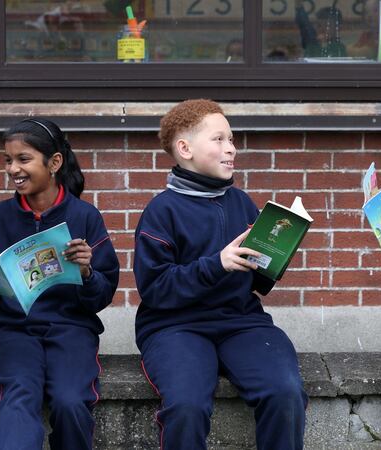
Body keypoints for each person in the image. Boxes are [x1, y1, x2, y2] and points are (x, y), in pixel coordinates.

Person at [133, 99, 308, 450]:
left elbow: (255, 282)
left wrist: (276, 256)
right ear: (185, 149)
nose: (231, 148)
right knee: (186, 406)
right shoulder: (161, 211)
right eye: (219, 140)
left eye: (232, 140)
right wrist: (217, 264)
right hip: (175, 327)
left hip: (240, 321)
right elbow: (155, 289)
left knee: (285, 392)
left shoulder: (241, 201)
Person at [0, 118, 119, 449]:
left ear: (54, 162)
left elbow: (103, 294)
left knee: (71, 400)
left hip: (71, 330)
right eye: (8, 160)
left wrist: (87, 273)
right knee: (17, 395)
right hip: (13, 332)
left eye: (23, 159)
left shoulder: (85, 217)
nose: (14, 168)